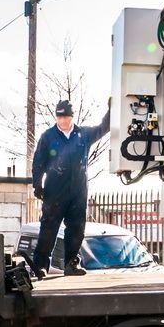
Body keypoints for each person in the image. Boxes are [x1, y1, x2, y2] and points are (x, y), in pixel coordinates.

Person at [30, 99, 110, 278]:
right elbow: (38, 162)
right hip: (54, 191)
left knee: (76, 228)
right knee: (48, 228)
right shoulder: (48, 136)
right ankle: (41, 265)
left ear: (72, 117)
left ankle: (71, 264)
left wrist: (111, 109)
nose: (63, 120)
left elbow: (103, 128)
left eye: (66, 116)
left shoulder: (84, 134)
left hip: (78, 191)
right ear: (56, 117)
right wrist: (37, 184)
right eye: (60, 116)